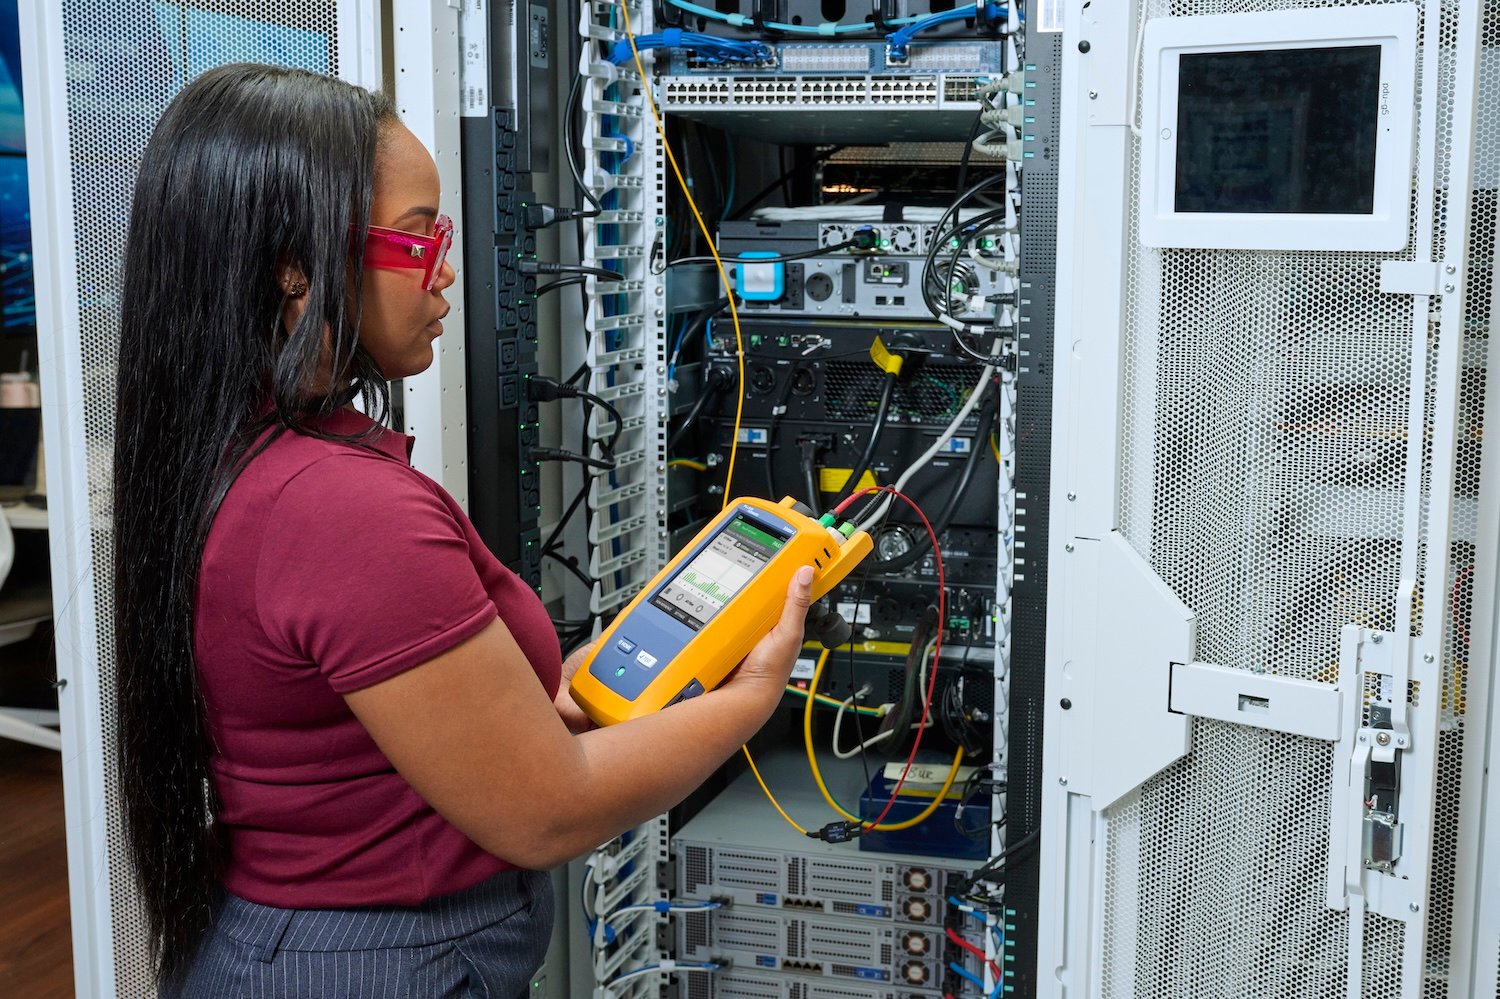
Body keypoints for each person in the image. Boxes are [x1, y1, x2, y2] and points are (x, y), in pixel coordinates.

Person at [111, 63, 812, 997]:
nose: (446, 267)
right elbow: (546, 813)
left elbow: (410, 734)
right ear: (294, 265)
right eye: (415, 238)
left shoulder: (246, 457)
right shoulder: (338, 510)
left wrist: (593, 685)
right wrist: (754, 695)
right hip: (373, 966)